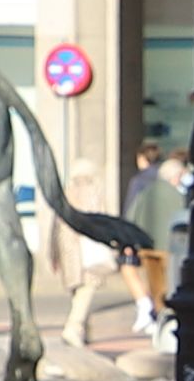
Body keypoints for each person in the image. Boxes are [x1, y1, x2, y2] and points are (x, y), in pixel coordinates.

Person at [62, 139, 177, 346]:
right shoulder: (93, 192)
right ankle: (76, 327)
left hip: (73, 252)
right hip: (94, 249)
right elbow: (100, 220)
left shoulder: (67, 193)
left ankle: (80, 327)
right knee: (87, 288)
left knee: (80, 289)